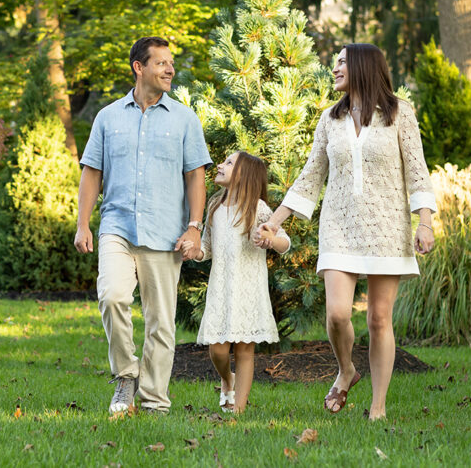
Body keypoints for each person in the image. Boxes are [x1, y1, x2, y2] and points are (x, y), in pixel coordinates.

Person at [259, 43, 436, 420]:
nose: (335, 68)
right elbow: (310, 176)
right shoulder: (330, 118)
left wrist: (425, 221)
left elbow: (417, 169)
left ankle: (378, 407)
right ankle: (346, 370)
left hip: (386, 224)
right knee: (338, 314)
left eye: (341, 62)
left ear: (361, 66)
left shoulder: (399, 113)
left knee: (378, 319)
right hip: (338, 224)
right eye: (335, 62)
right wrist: (276, 220)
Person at [74, 36, 212, 415]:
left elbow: (195, 177)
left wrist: (194, 226)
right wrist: (83, 224)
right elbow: (92, 172)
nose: (169, 69)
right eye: (161, 63)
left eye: (171, 63)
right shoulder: (108, 117)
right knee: (112, 296)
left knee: (160, 323)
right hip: (116, 226)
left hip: (166, 233)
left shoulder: (185, 118)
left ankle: (154, 402)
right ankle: (126, 375)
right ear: (139, 67)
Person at [186, 151, 290, 414]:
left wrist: (271, 239)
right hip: (221, 288)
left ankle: (238, 411)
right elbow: (206, 248)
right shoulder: (214, 207)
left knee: (245, 351)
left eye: (229, 163)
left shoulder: (258, 208)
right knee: (217, 350)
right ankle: (226, 378)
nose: (220, 165)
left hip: (248, 290)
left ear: (244, 175)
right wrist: (196, 251)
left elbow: (284, 242)